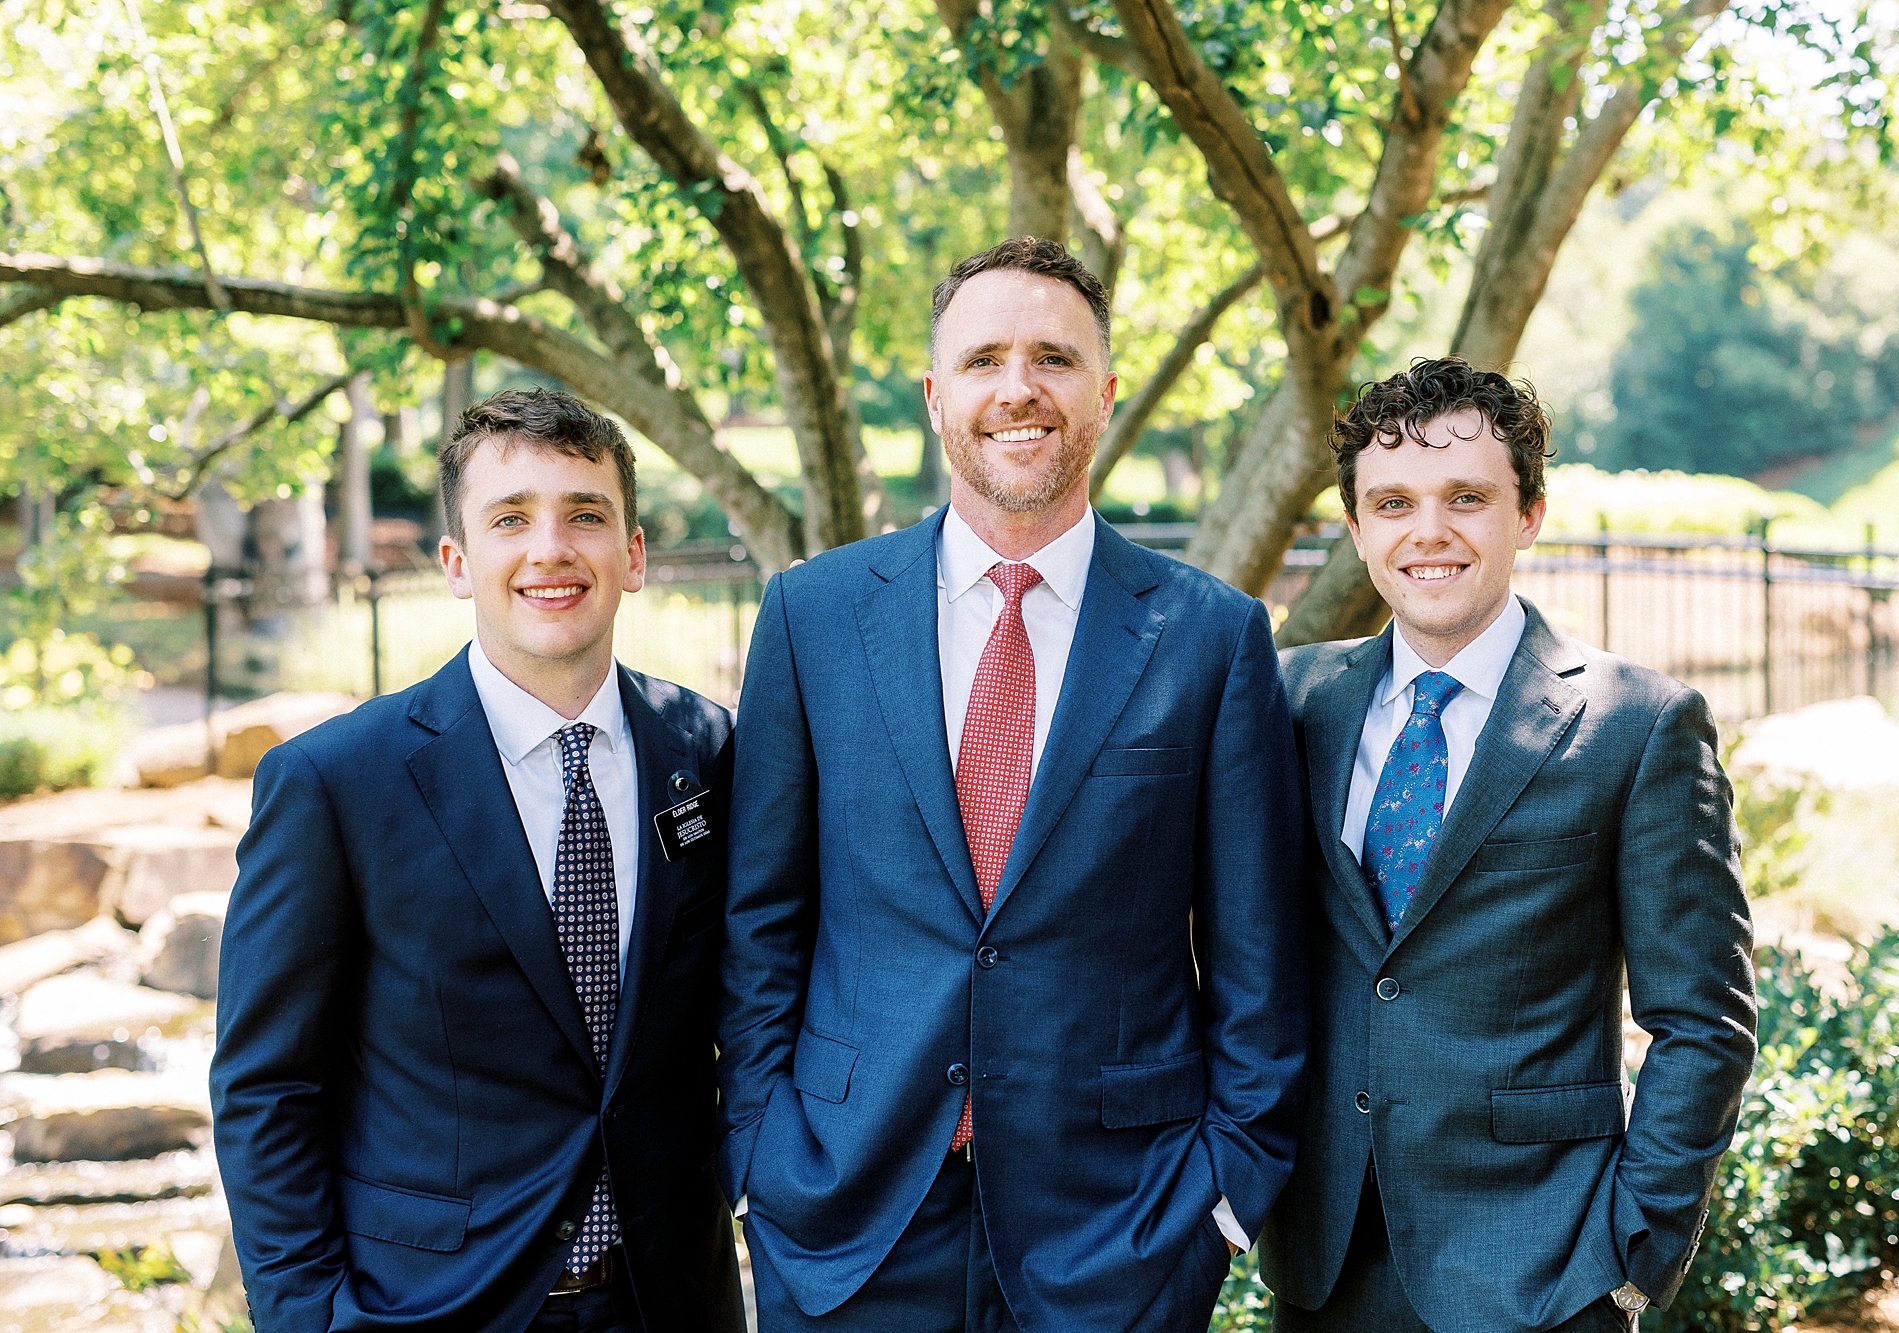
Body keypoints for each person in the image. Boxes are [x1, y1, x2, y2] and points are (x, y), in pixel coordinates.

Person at [717, 237, 1306, 1333]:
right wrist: (758, 1152)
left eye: (1054, 357)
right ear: (937, 398)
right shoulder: (812, 616)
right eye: (983, 359)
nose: (1017, 388)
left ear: (1106, 393)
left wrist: (1221, 1201)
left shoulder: (1210, 638)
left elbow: (1256, 956)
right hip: (846, 1213)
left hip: (1121, 1226)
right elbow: (761, 919)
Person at [211, 389, 746, 1333]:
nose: (551, 549)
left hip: (671, 1302)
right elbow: (266, 1087)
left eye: (586, 514)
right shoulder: (335, 784)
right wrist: (304, 1317)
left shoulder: (705, 750)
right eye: (511, 519)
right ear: (458, 562)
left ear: (634, 554)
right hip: (430, 1309)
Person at [1258, 357, 1758, 1332]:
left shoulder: (1637, 725)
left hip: (1546, 1270)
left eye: (1465, 497)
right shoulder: (1286, 701)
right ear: (1355, 528)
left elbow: (1703, 1020)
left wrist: (1628, 1253)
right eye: (1392, 501)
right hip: (1323, 1267)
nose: (1427, 530)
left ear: (1526, 512)